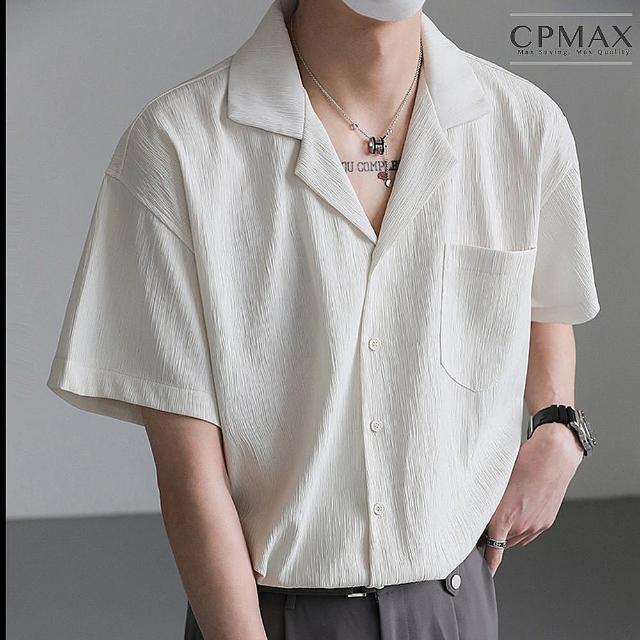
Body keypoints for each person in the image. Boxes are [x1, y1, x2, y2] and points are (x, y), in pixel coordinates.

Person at [46, 0, 601, 638]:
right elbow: (190, 478)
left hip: (455, 605)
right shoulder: (179, 148)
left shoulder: (524, 126)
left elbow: (539, 298)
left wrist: (558, 427)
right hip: (269, 615)